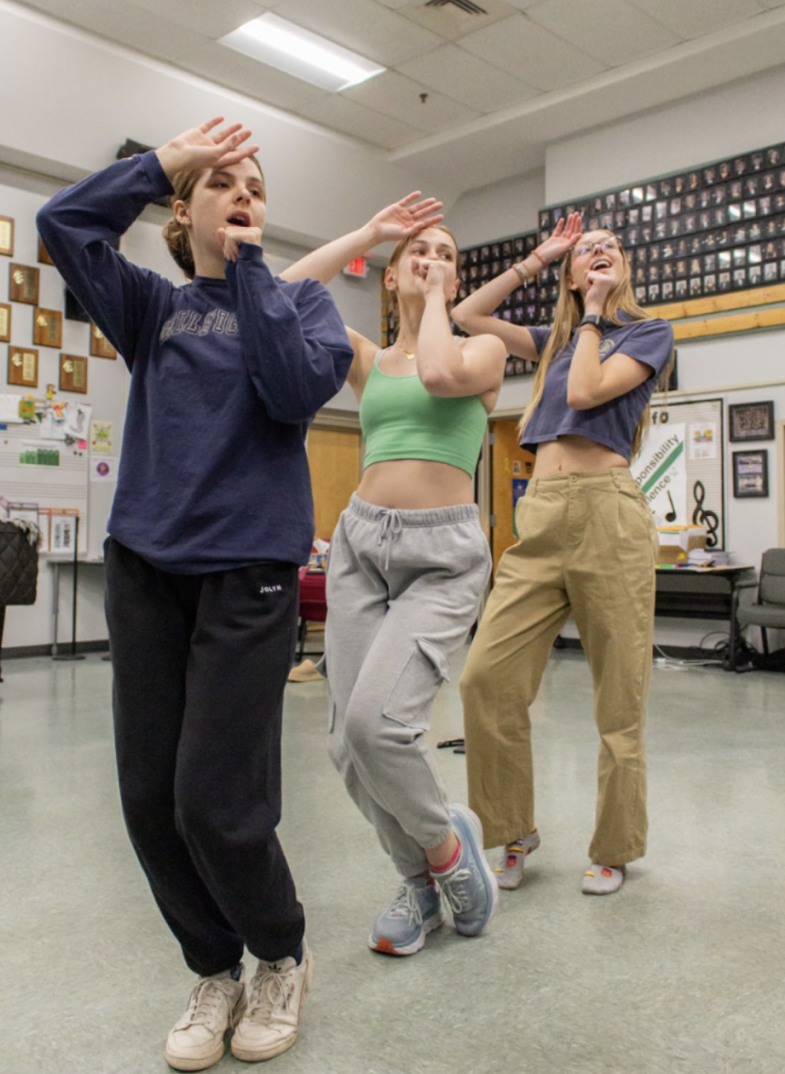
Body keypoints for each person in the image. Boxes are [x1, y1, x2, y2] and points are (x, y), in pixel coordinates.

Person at [37, 118, 353, 1071]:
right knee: (147, 798)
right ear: (186, 208)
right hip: (146, 569)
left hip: (248, 573)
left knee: (216, 799)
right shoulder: (151, 307)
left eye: (255, 183)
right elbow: (62, 223)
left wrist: (252, 269)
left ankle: (280, 952)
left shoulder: (305, 306)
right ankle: (213, 964)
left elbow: (292, 390)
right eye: (221, 182)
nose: (243, 191)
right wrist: (163, 161)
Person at [283, 216, 507, 955]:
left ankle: (448, 849)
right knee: (347, 746)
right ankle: (417, 883)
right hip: (360, 547)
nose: (434, 261)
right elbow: (280, 295)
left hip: (441, 556)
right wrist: (367, 232)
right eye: (420, 253)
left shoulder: (483, 349)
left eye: (448, 255)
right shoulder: (370, 360)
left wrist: (440, 298)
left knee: (378, 725)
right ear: (390, 273)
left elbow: (441, 375)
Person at [454, 214, 674, 897]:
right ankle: (511, 829)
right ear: (571, 275)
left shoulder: (645, 333)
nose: (598, 251)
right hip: (541, 515)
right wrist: (536, 259)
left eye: (609, 247)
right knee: (484, 679)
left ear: (621, 270)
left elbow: (584, 393)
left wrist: (596, 314)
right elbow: (467, 313)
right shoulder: (553, 339)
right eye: (585, 251)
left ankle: (614, 847)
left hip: (608, 510)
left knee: (619, 697)